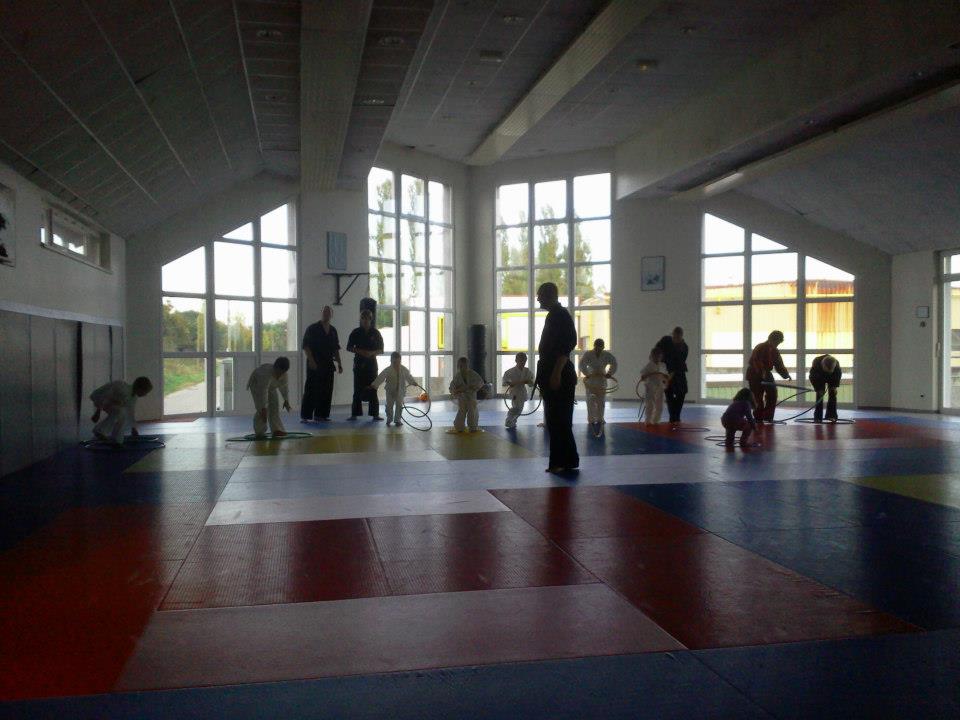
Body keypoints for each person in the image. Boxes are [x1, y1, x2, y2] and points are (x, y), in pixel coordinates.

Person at [535, 281, 579, 473]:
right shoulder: (555, 316)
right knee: (557, 420)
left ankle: (560, 461)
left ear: (549, 295)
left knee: (558, 419)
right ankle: (567, 460)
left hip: (558, 374)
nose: (537, 299)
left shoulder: (560, 316)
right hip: (553, 371)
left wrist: (556, 374)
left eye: (540, 295)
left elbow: (566, 347)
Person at [301, 305, 342, 422]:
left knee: (327, 390)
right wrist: (312, 361)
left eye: (328, 312)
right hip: (315, 363)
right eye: (324, 312)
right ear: (321, 313)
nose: (326, 314)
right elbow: (306, 346)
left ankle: (321, 415)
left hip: (328, 364)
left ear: (331, 315)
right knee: (311, 389)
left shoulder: (333, 330)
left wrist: (339, 363)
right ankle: (305, 415)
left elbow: (335, 349)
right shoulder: (312, 328)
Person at [90, 376, 152, 444]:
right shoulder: (121, 387)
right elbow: (105, 395)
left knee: (122, 415)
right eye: (145, 392)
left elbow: (130, 412)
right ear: (140, 389)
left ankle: (117, 441)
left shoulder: (133, 397)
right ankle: (99, 431)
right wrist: (97, 412)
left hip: (111, 402)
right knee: (120, 411)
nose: (145, 395)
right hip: (99, 397)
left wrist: (133, 428)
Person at [746, 330, 791, 423]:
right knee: (757, 396)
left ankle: (768, 416)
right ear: (772, 339)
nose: (777, 344)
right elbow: (755, 361)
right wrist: (762, 373)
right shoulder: (760, 347)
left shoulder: (775, 350)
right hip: (754, 373)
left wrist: (786, 375)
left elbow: (779, 364)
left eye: (779, 342)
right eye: (777, 342)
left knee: (772, 393)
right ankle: (758, 418)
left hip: (766, 372)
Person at [346, 310, 384, 421]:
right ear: (361, 319)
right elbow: (348, 347)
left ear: (371, 319)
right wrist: (360, 351)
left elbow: (381, 350)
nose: (365, 320)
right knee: (357, 389)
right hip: (359, 365)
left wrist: (371, 353)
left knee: (373, 388)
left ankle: (375, 414)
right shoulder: (355, 332)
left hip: (371, 366)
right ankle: (354, 414)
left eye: (367, 318)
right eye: (363, 318)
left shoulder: (376, 333)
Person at [579, 338, 617, 431]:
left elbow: (614, 363)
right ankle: (591, 419)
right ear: (594, 346)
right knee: (590, 400)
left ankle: (600, 418)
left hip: (601, 379)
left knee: (601, 401)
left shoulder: (607, 355)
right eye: (596, 347)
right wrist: (587, 373)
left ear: (603, 347)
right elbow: (582, 364)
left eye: (600, 347)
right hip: (591, 379)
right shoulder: (588, 354)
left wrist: (609, 373)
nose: (598, 349)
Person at [370, 352, 418, 427]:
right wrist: (374, 384)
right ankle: (389, 419)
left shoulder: (403, 369)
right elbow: (381, 377)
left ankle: (397, 420)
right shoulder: (388, 370)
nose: (396, 364)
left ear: (400, 361)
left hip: (400, 391)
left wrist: (413, 382)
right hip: (390, 391)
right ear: (391, 361)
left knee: (399, 405)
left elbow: (409, 376)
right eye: (394, 362)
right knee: (389, 406)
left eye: (398, 362)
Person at [247, 357, 291, 438]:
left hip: (271, 386)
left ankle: (277, 429)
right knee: (261, 410)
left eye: (282, 373)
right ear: (275, 367)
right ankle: (260, 432)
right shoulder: (265, 374)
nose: (280, 375)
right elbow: (263, 392)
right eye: (279, 372)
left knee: (274, 405)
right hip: (257, 385)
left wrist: (286, 400)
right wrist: (263, 408)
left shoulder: (284, 375)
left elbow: (284, 387)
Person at [655, 327, 689, 424]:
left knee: (682, 392)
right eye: (674, 337)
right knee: (669, 393)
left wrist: (672, 373)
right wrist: (657, 363)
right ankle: (673, 417)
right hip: (665, 370)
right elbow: (656, 350)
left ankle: (676, 416)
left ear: (681, 336)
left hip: (679, 371)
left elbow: (680, 362)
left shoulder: (684, 347)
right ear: (672, 335)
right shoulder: (666, 340)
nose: (675, 339)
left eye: (677, 337)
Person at [449, 356, 484, 432]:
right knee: (461, 411)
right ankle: (459, 427)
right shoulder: (457, 376)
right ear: (458, 366)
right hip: (462, 397)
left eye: (465, 366)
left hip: (471, 397)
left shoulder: (473, 374)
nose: (463, 368)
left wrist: (474, 387)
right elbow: (452, 387)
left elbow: (480, 382)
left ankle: (473, 427)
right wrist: (455, 391)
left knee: (472, 412)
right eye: (461, 366)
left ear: (467, 365)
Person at [502, 351, 534, 429]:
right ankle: (509, 421)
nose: (522, 362)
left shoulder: (527, 371)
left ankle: (513, 421)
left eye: (524, 360)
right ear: (516, 360)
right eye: (520, 360)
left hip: (522, 391)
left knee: (520, 409)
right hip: (515, 392)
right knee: (517, 408)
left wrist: (529, 382)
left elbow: (531, 383)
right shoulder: (510, 371)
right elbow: (504, 382)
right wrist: (510, 383)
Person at [639, 347, 670, 425]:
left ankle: (656, 420)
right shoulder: (649, 365)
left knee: (660, 405)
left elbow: (665, 376)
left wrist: (666, 377)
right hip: (650, 386)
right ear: (652, 356)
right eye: (655, 356)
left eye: (659, 356)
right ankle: (648, 421)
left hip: (660, 386)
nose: (657, 358)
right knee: (650, 405)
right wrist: (644, 376)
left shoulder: (662, 365)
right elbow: (643, 376)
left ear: (661, 356)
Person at [809, 354, 842, 423]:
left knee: (832, 394)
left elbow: (837, 376)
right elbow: (812, 377)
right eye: (827, 370)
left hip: (832, 378)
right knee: (820, 395)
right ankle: (818, 417)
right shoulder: (816, 363)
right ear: (823, 365)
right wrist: (818, 388)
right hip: (819, 378)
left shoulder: (836, 364)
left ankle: (831, 416)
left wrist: (834, 387)